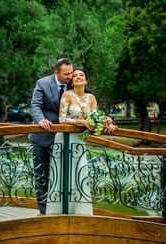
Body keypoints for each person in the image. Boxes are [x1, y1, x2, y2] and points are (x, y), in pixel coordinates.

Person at [45, 67, 117, 215]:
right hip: (64, 139)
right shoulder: (67, 95)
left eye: (81, 75)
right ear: (71, 81)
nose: (78, 77)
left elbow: (95, 119)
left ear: (86, 80)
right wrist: (81, 122)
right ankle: (58, 211)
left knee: (80, 172)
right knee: (63, 173)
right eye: (75, 75)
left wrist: (108, 122)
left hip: (80, 140)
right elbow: (62, 119)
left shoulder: (91, 98)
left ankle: (80, 212)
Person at [28, 58, 74, 214]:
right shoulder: (43, 83)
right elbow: (35, 105)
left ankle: (62, 210)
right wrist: (41, 120)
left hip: (67, 139)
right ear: (56, 72)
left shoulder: (75, 82)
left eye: (71, 73)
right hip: (42, 137)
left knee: (65, 176)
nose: (70, 76)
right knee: (41, 175)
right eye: (66, 74)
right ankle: (44, 211)